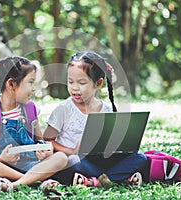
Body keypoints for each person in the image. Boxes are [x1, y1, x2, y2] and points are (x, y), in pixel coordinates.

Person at [44, 51, 147, 187]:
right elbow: (46, 140)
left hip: (99, 160)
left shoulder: (106, 109)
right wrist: (72, 150)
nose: (74, 88)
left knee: (140, 158)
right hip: (76, 160)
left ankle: (96, 181)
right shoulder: (63, 109)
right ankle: (116, 177)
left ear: (98, 83)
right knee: (72, 162)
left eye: (81, 83)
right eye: (70, 82)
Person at [0, 56, 67, 193]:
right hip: (0, 167)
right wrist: (0, 158)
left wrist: (45, 151)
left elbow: (40, 141)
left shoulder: (30, 109)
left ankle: (14, 185)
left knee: (61, 157)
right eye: (31, 82)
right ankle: (32, 181)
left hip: (31, 165)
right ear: (11, 84)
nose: (33, 89)